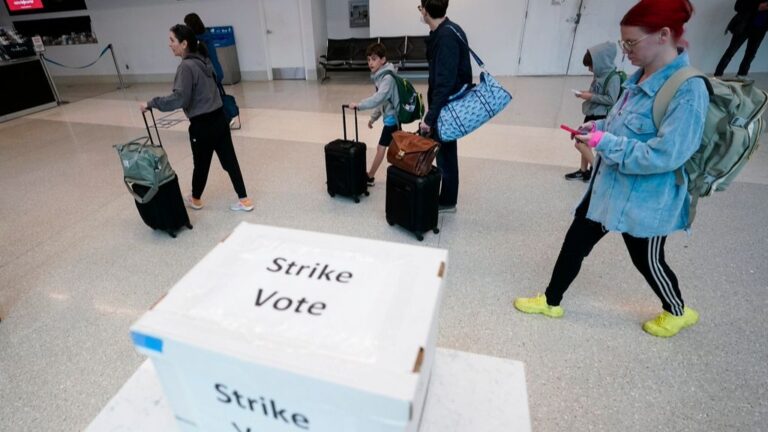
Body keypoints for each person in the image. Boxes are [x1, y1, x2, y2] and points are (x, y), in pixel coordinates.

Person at [514, 0, 708, 338]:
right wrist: (598, 127)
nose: (625, 51)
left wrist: (605, 143)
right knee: (575, 241)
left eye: (631, 43)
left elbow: (665, 156)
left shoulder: (688, 90)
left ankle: (677, 310)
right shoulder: (639, 77)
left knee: (648, 261)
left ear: (663, 35)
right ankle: (550, 300)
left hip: (646, 201)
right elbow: (622, 122)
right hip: (609, 187)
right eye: (624, 43)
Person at [140, 24, 253, 212]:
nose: (169, 45)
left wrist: (151, 103)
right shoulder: (204, 59)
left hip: (202, 125)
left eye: (172, 40)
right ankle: (244, 199)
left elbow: (179, 98)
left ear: (184, 44)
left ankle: (196, 199)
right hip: (220, 120)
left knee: (201, 164)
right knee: (230, 161)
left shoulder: (186, 66)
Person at [418, 0, 472, 213]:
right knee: (444, 150)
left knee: (446, 152)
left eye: (420, 8)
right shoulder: (446, 31)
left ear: (426, 10)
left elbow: (445, 82)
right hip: (445, 104)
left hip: (447, 106)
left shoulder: (447, 36)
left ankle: (448, 201)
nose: (420, 12)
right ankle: (443, 194)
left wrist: (430, 117)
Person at [564, 42, 621, 183]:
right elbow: (596, 92)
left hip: (601, 117)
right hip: (592, 114)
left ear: (601, 62)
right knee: (584, 142)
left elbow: (611, 99)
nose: (590, 69)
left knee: (580, 143)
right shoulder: (599, 74)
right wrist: (585, 93)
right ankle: (584, 171)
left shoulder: (613, 78)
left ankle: (598, 173)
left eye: (591, 65)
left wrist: (589, 96)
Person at [348, 43, 400, 186]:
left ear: (383, 60)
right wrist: (373, 118)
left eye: (374, 59)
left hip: (392, 119)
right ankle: (405, 170)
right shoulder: (379, 76)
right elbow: (382, 101)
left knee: (381, 148)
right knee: (398, 147)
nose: (370, 62)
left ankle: (370, 176)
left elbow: (379, 98)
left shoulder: (387, 78)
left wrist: (359, 105)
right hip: (391, 117)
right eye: (369, 59)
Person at [714, 0, 768, 78]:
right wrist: (757, 7)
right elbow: (737, 7)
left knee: (750, 54)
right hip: (744, 26)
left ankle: (741, 76)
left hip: (760, 29)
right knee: (731, 51)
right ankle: (717, 75)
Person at [184, 13, 224, 86]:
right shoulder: (207, 34)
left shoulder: (195, 40)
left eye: (187, 25)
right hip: (218, 72)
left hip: (210, 76)